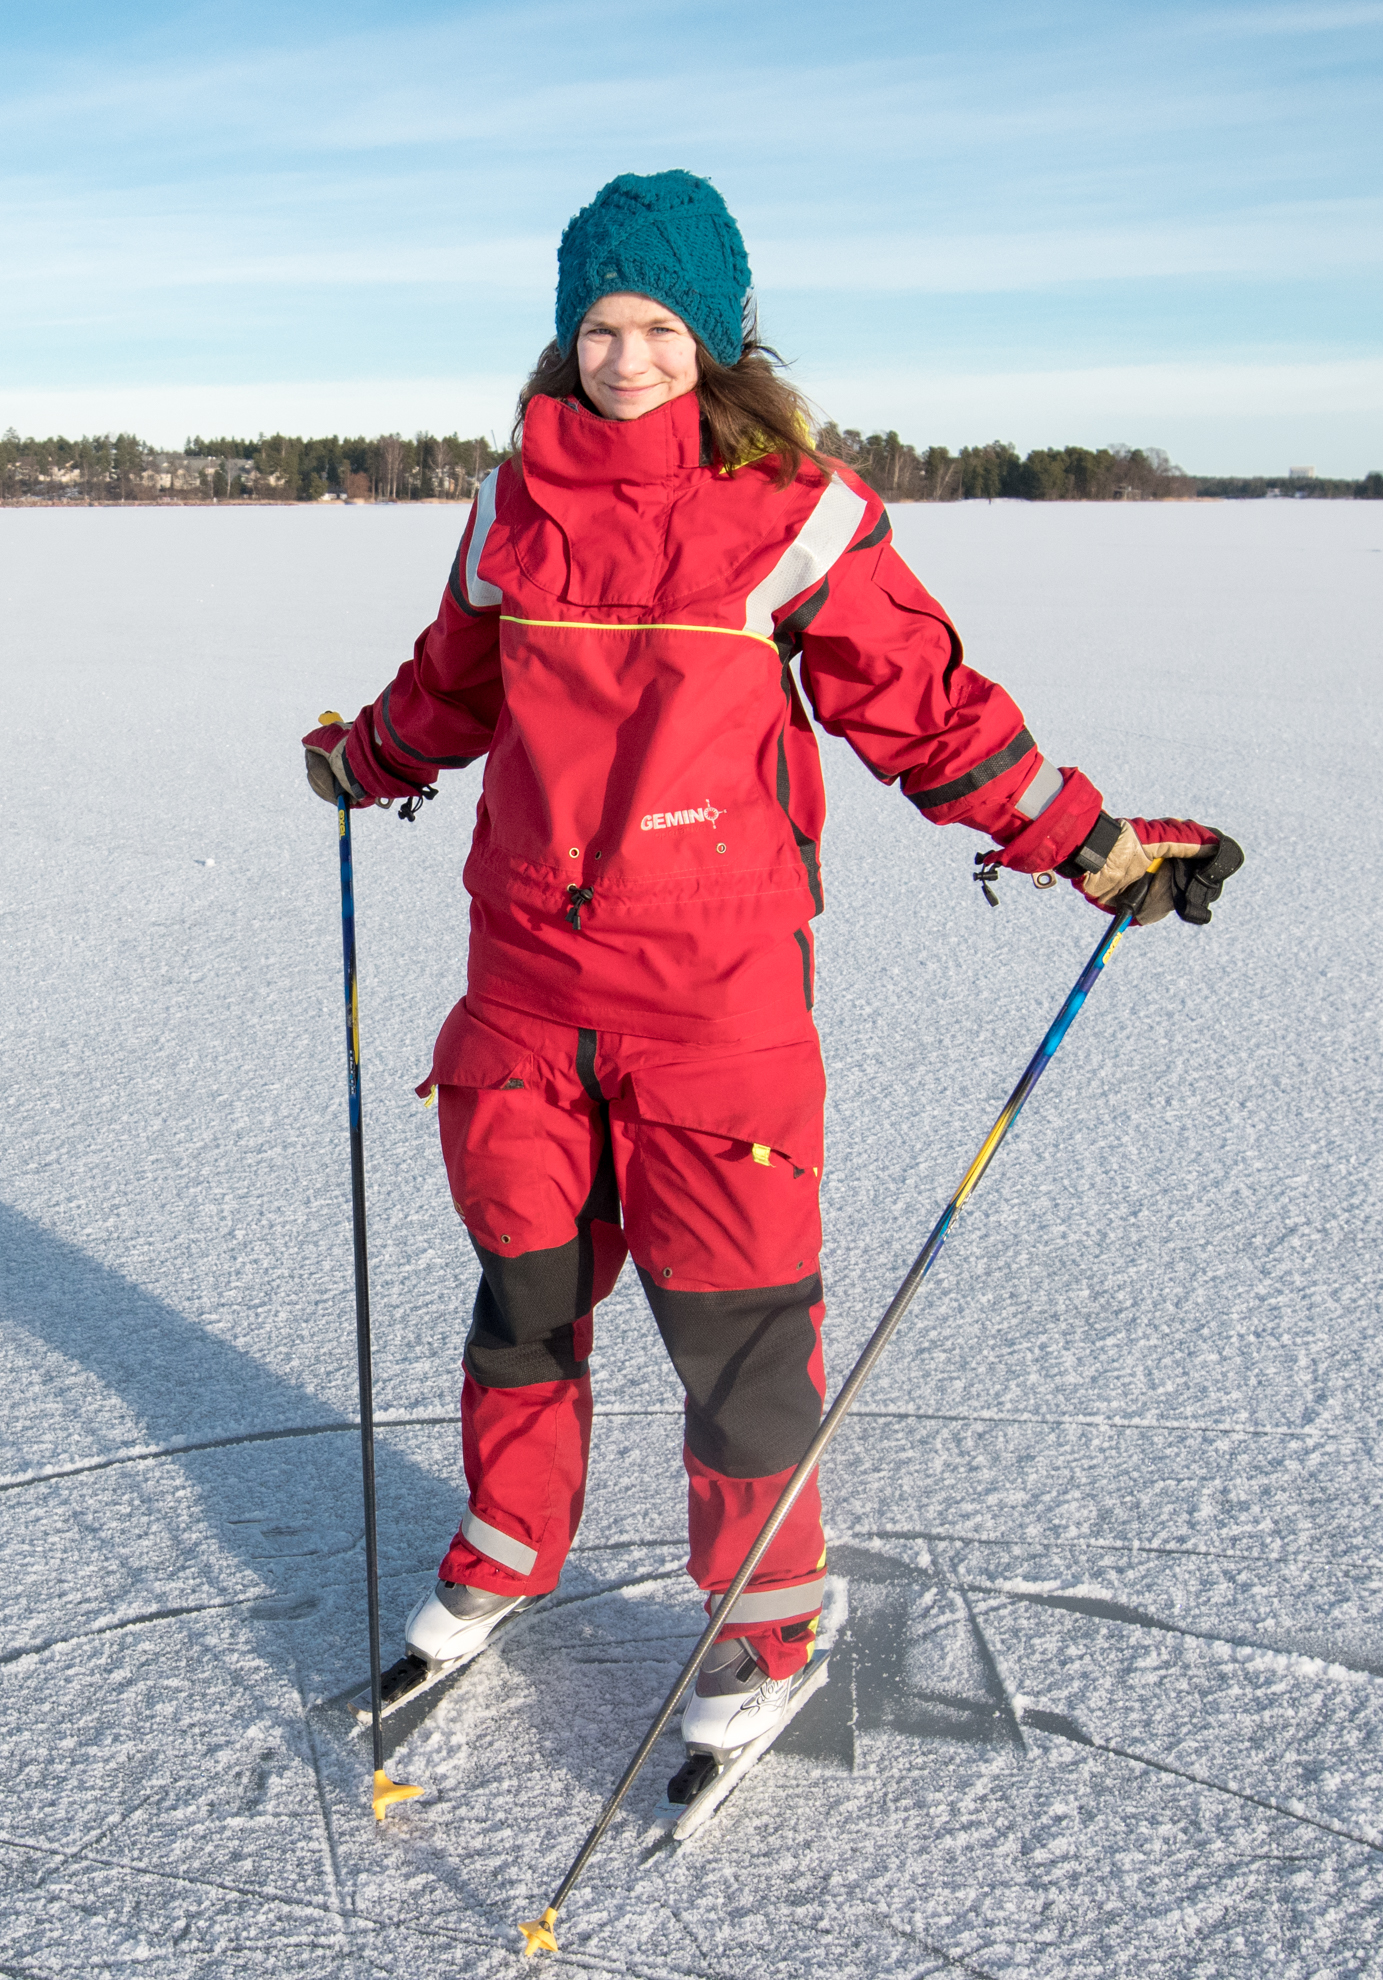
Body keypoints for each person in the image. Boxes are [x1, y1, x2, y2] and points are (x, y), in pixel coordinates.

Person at [304, 169, 1241, 1773]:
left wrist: (1088, 845)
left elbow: (926, 706)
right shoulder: (508, 505)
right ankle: (511, 1544)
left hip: (713, 1005)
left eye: (658, 324)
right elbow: (451, 689)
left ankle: (767, 1615)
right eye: (598, 324)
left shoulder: (794, 510)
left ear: (720, 336)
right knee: (525, 1300)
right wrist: (365, 759)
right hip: (523, 989)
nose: (624, 356)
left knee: (738, 1334)